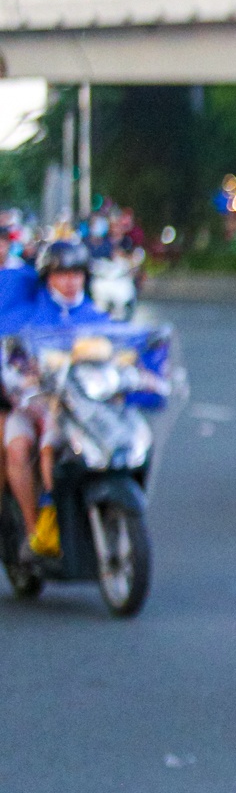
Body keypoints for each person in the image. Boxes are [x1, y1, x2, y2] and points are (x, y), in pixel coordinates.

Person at [4, 240, 106, 561]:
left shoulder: (95, 315)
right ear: (48, 277)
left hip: (80, 410)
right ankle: (36, 531)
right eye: (62, 274)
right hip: (31, 405)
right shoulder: (26, 315)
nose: (70, 281)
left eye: (76, 273)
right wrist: (22, 380)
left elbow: (121, 353)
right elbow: (10, 359)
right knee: (19, 448)